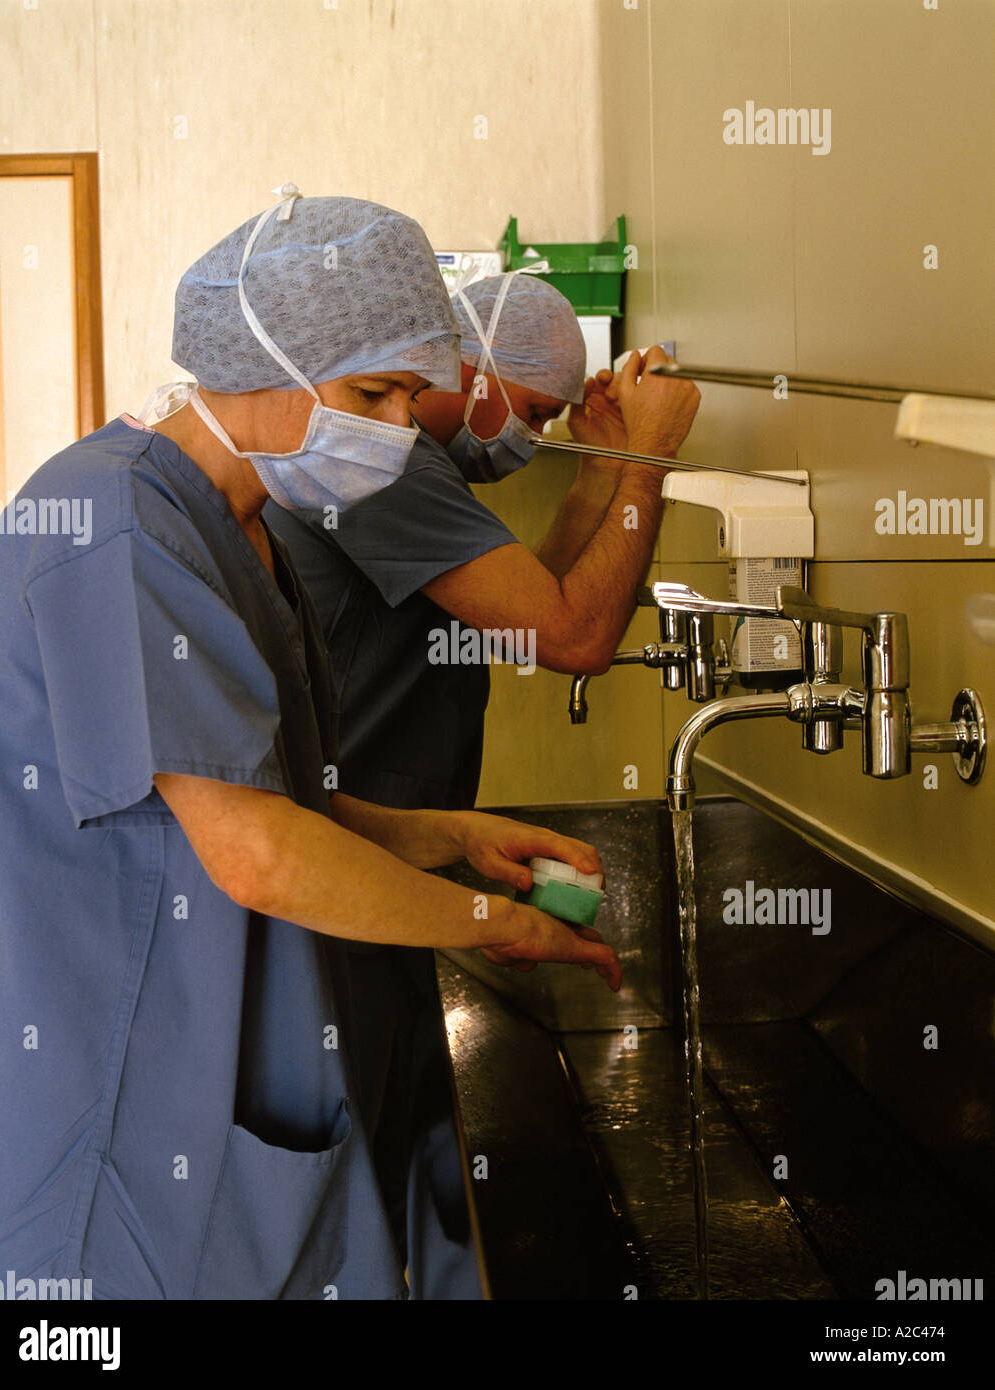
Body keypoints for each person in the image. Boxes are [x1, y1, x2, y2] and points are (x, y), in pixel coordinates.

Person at [0, 193, 621, 1303]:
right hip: (109, 1129)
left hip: (218, 1086)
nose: (402, 429)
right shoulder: (112, 528)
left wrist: (455, 838)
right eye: (373, 394)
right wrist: (489, 924)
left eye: (412, 394)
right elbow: (256, 850)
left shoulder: (246, 529)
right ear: (257, 363)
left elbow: (287, 796)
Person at [263, 271, 700, 1297]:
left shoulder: (420, 477)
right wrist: (644, 460)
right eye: (537, 413)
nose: (532, 442)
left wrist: (599, 475)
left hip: (390, 854)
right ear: (477, 367)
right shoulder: (394, 470)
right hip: (351, 870)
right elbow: (577, 634)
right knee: (350, 1188)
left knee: (396, 1178)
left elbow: (508, 603)